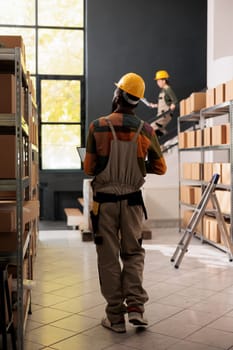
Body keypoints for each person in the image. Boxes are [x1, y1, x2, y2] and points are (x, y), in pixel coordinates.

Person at [83, 72, 167, 333]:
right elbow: (160, 167)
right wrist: (136, 165)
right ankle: (137, 309)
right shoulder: (146, 130)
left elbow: (88, 169)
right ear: (138, 101)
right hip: (132, 203)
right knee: (133, 254)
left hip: (104, 204)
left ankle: (116, 318)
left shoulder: (97, 127)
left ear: (118, 95)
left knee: (108, 256)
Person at [150, 70, 178, 137]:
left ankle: (164, 136)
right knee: (158, 130)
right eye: (157, 81)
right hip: (161, 115)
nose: (157, 83)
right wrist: (154, 105)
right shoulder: (163, 90)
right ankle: (164, 137)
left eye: (159, 81)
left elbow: (175, 101)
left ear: (164, 81)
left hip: (165, 115)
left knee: (151, 127)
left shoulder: (168, 89)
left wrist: (172, 107)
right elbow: (164, 103)